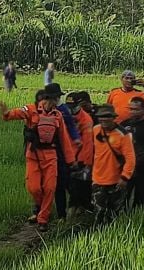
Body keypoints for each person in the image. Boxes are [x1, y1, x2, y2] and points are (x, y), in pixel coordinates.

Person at [0, 90, 76, 232]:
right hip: (33, 154)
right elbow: (17, 113)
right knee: (34, 187)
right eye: (56, 98)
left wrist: (71, 160)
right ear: (49, 98)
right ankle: (40, 207)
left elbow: (64, 139)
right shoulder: (31, 109)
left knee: (50, 187)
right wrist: (6, 114)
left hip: (50, 155)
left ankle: (43, 219)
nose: (57, 101)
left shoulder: (57, 116)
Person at [91, 104, 136, 226]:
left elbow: (130, 158)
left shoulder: (123, 135)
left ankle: (112, 236)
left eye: (107, 116)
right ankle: (97, 237)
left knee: (114, 214)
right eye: (101, 117)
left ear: (113, 118)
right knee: (99, 212)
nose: (103, 119)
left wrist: (125, 177)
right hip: (98, 180)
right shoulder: (95, 130)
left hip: (116, 181)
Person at [48, 83, 82, 221]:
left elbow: (72, 128)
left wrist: (76, 139)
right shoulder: (42, 110)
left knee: (65, 182)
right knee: (53, 185)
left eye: (56, 97)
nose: (54, 99)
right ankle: (60, 214)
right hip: (48, 152)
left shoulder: (63, 110)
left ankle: (76, 206)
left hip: (62, 151)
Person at [65, 92, 95, 215]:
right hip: (67, 157)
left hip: (81, 159)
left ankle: (82, 210)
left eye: (74, 106)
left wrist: (86, 163)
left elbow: (88, 143)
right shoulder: (63, 116)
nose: (71, 109)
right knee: (69, 186)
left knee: (82, 186)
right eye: (69, 106)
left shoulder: (86, 119)